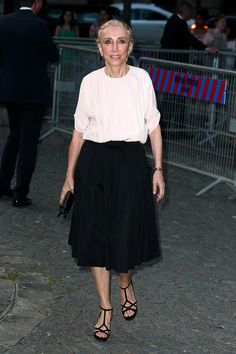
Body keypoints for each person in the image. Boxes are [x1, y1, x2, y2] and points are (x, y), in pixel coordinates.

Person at [60, 19, 165, 341]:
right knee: (95, 235)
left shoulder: (141, 79)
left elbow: (153, 125)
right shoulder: (90, 82)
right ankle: (105, 307)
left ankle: (124, 281)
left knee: (124, 233)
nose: (115, 48)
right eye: (108, 42)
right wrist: (68, 177)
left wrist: (158, 169)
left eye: (121, 41)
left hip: (131, 163)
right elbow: (78, 132)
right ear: (100, 47)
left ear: (130, 46)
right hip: (94, 162)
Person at [0, 0, 59, 207]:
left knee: (13, 137)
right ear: (37, 3)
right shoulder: (39, 25)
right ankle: (20, 193)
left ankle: (3, 185)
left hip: (9, 90)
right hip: (33, 92)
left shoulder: (3, 22)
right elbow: (53, 56)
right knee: (28, 143)